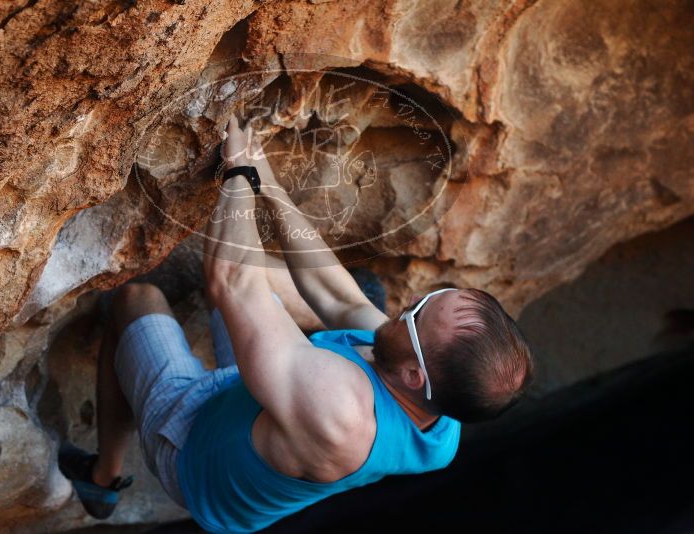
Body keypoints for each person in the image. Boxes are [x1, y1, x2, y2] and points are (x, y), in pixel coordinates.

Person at [58, 115, 534, 532]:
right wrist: (267, 181)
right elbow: (333, 291)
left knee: (138, 299)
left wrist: (238, 170)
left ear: (415, 375)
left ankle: (103, 477)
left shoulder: (338, 410)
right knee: (303, 292)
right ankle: (261, 359)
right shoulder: (441, 404)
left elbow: (230, 280)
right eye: (429, 296)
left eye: (416, 312)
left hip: (194, 455)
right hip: (263, 402)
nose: (408, 301)